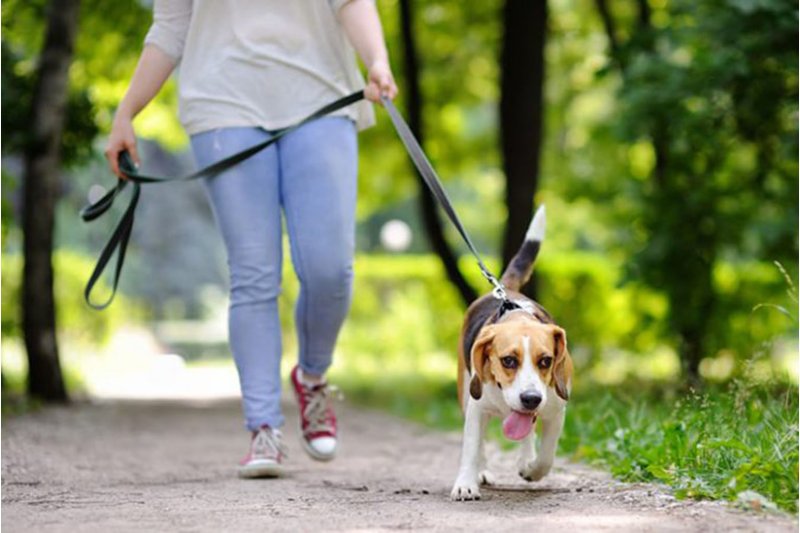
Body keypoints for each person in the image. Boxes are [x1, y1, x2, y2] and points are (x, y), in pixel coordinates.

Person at [105, 0, 398, 478]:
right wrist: (126, 113)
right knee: (253, 273)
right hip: (224, 102)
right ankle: (263, 426)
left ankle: (312, 376)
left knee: (330, 270)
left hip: (321, 96)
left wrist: (377, 61)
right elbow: (171, 27)